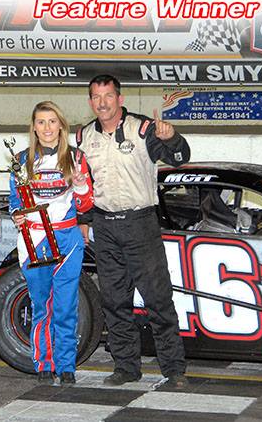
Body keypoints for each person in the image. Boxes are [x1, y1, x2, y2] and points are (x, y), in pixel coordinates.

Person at [76, 74, 190, 388]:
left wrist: (172, 138)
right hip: (104, 226)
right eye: (96, 97)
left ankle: (174, 369)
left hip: (141, 224)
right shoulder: (83, 137)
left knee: (158, 299)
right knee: (114, 301)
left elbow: (180, 158)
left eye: (108, 96)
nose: (102, 103)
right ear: (90, 102)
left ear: (120, 99)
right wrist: (84, 220)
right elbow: (83, 185)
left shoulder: (143, 129)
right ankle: (126, 367)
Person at [9, 101, 93, 386]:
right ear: (34, 127)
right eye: (41, 122)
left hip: (67, 239)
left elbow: (86, 205)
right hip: (34, 239)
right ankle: (44, 363)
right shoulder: (21, 160)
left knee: (66, 306)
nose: (47, 128)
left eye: (52, 121)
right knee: (41, 305)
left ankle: (67, 365)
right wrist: (17, 215)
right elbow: (15, 200)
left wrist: (80, 185)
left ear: (61, 125)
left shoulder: (76, 157)